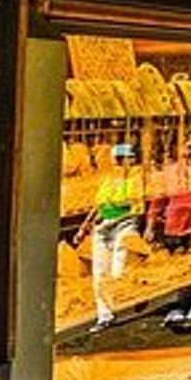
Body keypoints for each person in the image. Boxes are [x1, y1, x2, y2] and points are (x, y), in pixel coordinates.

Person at [78, 138, 147, 332]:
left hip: (124, 223)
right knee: (100, 273)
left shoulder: (136, 179)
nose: (121, 163)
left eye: (126, 159)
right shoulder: (108, 179)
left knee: (118, 269)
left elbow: (138, 206)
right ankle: (104, 315)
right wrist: (84, 226)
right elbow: (98, 205)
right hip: (103, 226)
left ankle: (134, 292)